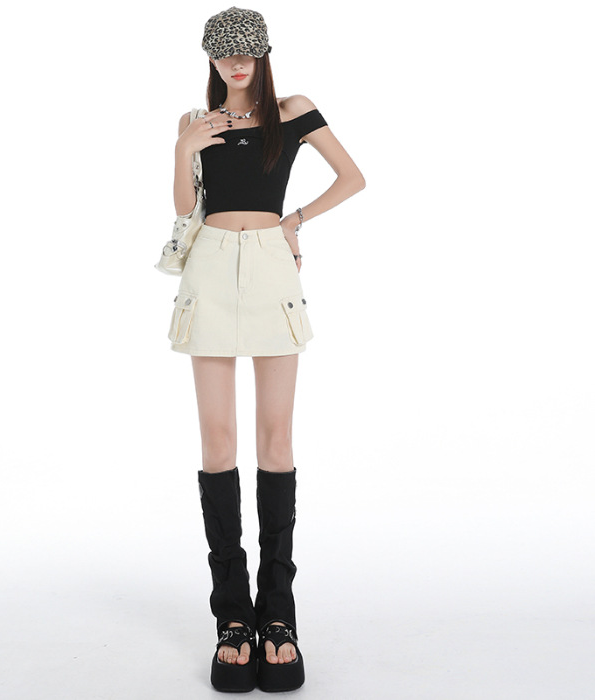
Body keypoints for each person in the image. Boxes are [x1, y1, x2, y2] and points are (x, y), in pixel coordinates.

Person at [168, 6, 366, 693]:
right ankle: (233, 618)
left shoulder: (293, 110)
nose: (235, 63)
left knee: (276, 438)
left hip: (272, 268)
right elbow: (183, 208)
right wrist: (183, 149)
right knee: (217, 440)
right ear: (210, 58)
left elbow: (352, 177)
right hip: (209, 268)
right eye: (223, 53)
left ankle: (277, 614)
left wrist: (294, 221)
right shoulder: (194, 121)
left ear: (263, 53)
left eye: (246, 51)